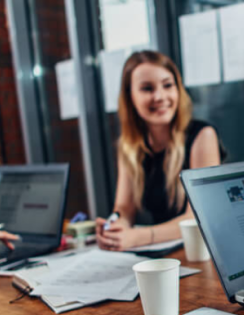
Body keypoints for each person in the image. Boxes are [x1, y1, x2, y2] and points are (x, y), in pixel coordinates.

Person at [96, 51, 223, 251]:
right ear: (130, 97)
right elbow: (124, 209)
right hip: (165, 252)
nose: (159, 96)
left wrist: (138, 237)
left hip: (204, 252)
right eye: (147, 88)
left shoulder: (202, 135)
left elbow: (199, 217)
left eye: (167, 85)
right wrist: (114, 229)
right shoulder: (129, 146)